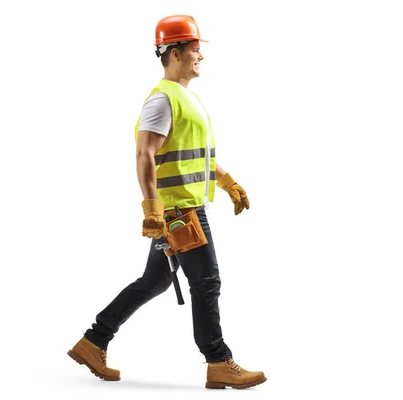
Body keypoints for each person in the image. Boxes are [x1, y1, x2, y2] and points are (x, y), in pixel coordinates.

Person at [67, 14, 266, 390]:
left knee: (153, 282)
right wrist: (152, 209)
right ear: (175, 52)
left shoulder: (184, 97)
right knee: (206, 283)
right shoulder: (162, 100)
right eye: (195, 49)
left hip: (182, 208)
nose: (200, 57)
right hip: (178, 213)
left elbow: (194, 155)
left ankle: (94, 341)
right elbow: (145, 154)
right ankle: (219, 360)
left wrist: (228, 182)